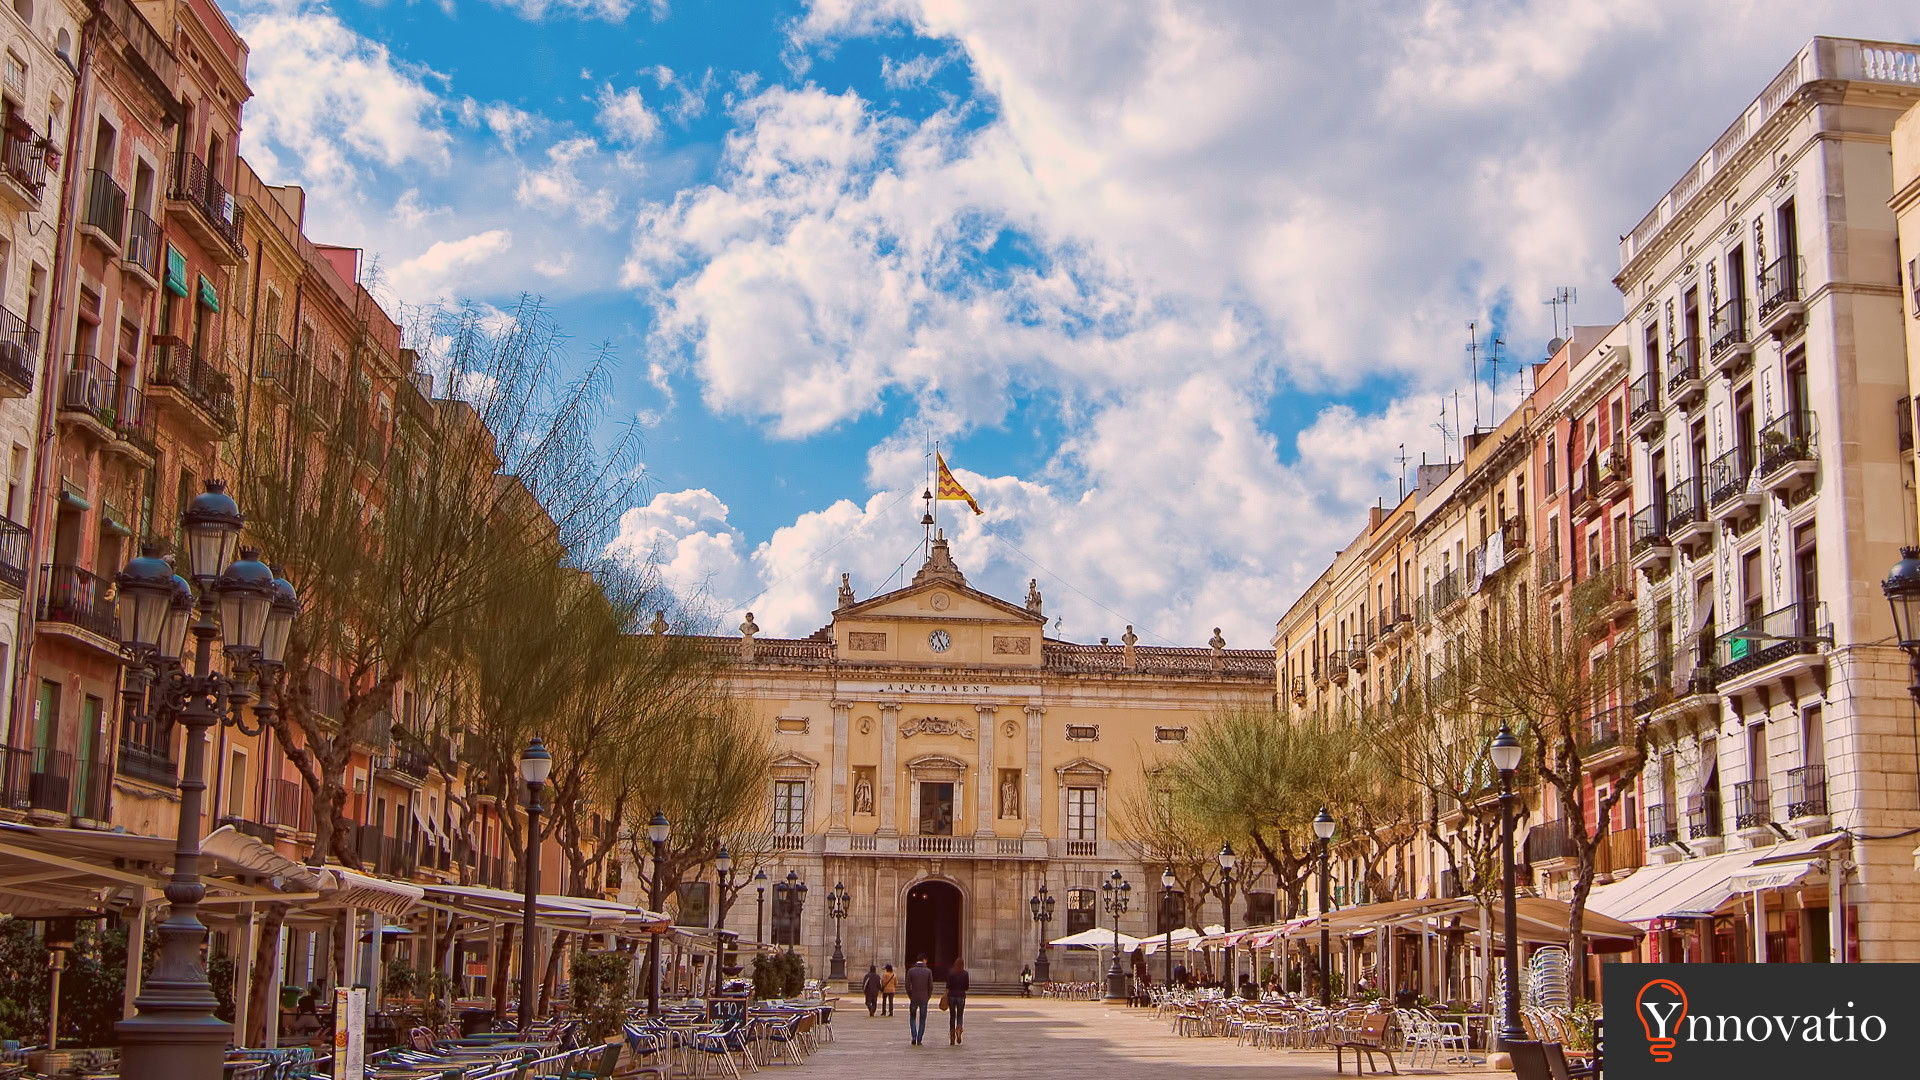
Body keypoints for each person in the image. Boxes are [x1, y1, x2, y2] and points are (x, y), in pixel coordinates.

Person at [905, 956, 935, 1046]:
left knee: (912, 1018)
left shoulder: (911, 971)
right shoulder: (928, 971)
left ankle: (914, 1036)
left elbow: (907, 985)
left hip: (914, 997)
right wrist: (928, 996)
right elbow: (930, 986)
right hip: (924, 998)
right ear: (924, 960)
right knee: (922, 1019)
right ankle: (919, 1039)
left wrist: (910, 995)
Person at [945, 956, 970, 1045]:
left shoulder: (951, 972)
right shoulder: (965, 973)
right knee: (960, 1015)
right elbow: (967, 987)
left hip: (951, 996)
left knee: (952, 1015)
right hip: (961, 996)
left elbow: (947, 985)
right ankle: (959, 1030)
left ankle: (952, 1034)